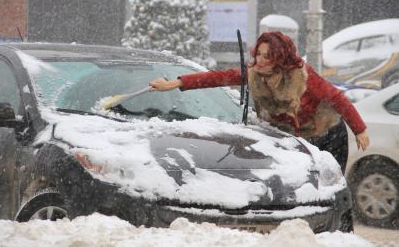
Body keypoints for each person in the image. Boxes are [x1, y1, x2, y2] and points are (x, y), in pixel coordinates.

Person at [149, 31, 369, 173]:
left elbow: (338, 99)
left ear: (280, 57)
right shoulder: (254, 74)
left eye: (268, 56)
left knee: (328, 184)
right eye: (259, 54)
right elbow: (216, 77)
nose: (261, 60)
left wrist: (359, 130)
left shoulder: (303, 77)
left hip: (326, 134)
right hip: (294, 136)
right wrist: (174, 83)